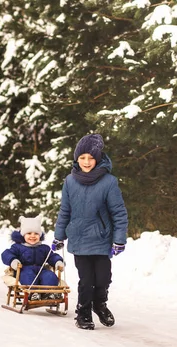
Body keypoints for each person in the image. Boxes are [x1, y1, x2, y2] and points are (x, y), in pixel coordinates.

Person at [52, 133, 128, 330]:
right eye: (82, 157)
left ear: (98, 159)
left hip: (102, 238)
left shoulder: (109, 182)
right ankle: (83, 312)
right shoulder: (70, 181)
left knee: (103, 278)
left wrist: (119, 240)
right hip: (79, 238)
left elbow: (118, 213)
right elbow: (65, 211)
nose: (86, 162)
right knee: (86, 280)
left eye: (91, 157)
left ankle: (99, 304)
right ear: (77, 158)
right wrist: (59, 236)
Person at [1, 215, 64, 300]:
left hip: (41, 270)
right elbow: (6, 254)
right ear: (23, 234)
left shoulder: (44, 248)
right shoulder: (18, 247)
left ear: (40, 235)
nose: (33, 236)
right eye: (29, 233)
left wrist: (58, 261)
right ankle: (33, 293)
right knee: (28, 276)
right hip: (24, 270)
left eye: (36, 233)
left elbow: (52, 256)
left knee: (50, 275)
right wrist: (13, 261)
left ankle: (49, 292)